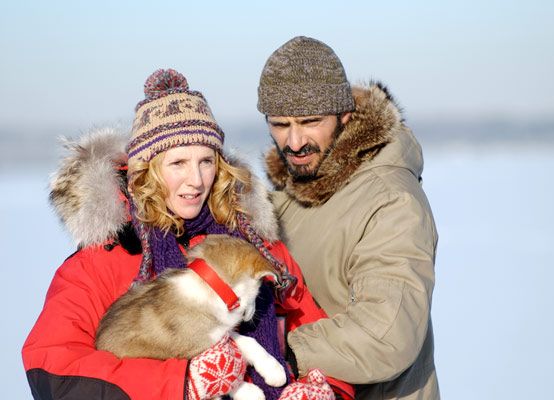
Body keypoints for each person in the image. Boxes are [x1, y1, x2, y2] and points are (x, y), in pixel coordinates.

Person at [22, 69, 353, 400]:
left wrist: (328, 393)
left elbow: (324, 342)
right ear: (146, 170)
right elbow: (54, 371)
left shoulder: (256, 249)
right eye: (178, 163)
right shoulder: (102, 261)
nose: (196, 180)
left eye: (206, 161)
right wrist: (181, 383)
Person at [257, 36, 439, 399]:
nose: (294, 142)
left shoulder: (390, 201)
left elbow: (386, 334)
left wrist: (276, 348)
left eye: (310, 121)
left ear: (346, 116)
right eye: (280, 124)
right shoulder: (289, 193)